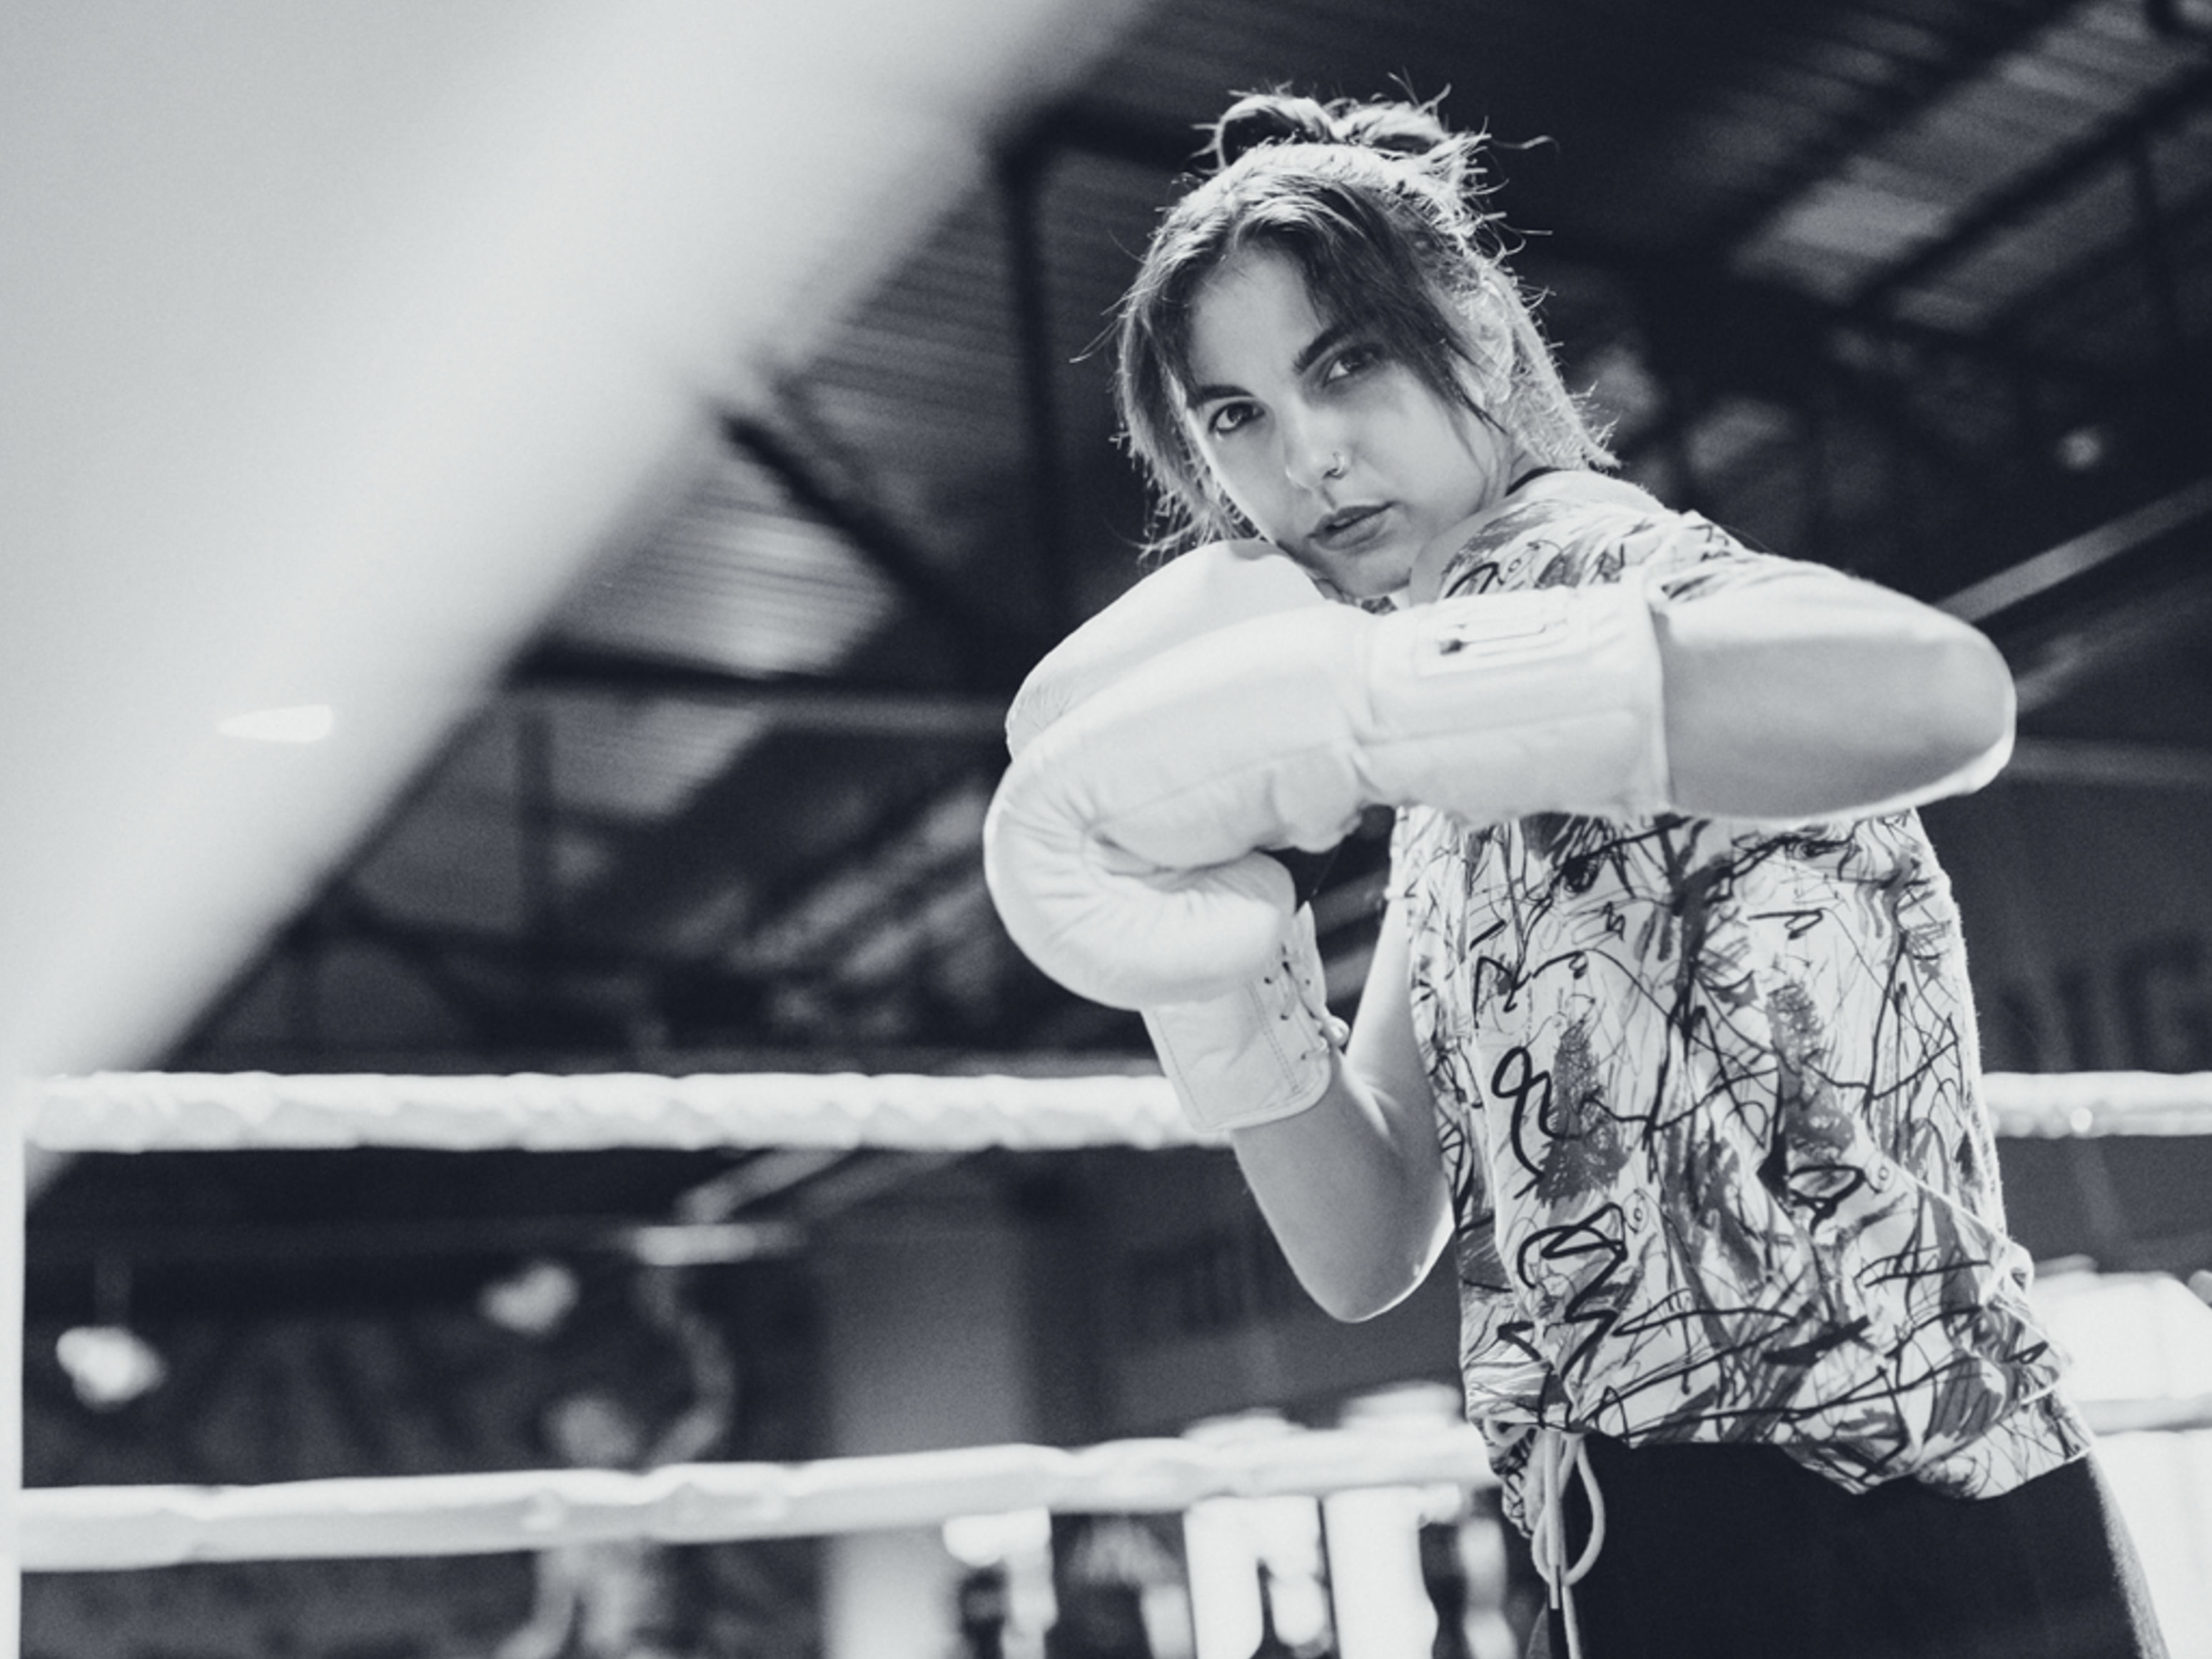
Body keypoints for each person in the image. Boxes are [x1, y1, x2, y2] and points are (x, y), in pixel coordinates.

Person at [984, 91, 2170, 1659]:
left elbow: (1949, 694)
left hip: (1897, 1536)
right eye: (1235, 417)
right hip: (1610, 1556)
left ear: (1468, 326)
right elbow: (1360, 1246)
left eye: (1343, 364)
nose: (1307, 457)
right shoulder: (1435, 794)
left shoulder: (1612, 571)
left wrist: (1385, 699)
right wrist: (1202, 959)